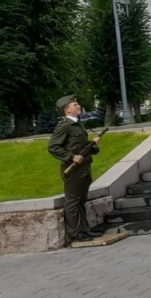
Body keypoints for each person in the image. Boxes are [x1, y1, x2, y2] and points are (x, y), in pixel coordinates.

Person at [47, 95, 103, 243]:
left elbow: (80, 146)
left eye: (78, 104)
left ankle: (84, 230)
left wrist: (93, 144)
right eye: (75, 105)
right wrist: (71, 157)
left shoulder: (78, 124)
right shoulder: (64, 126)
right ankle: (75, 233)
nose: (78, 106)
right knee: (73, 201)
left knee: (81, 200)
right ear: (67, 110)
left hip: (84, 167)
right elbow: (53, 147)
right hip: (72, 170)